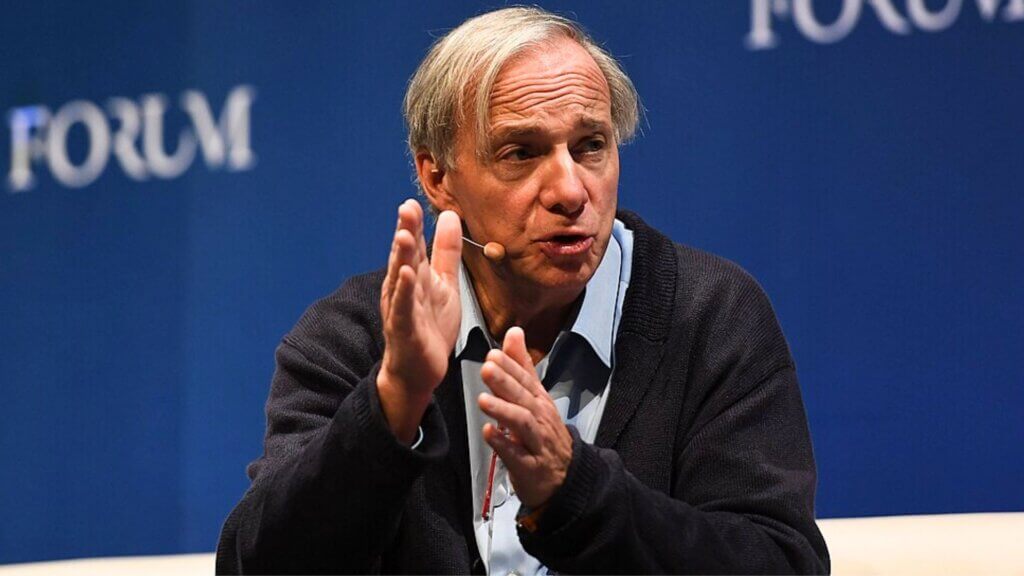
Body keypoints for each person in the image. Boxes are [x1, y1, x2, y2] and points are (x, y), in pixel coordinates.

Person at [217, 7, 830, 575]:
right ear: (438, 177)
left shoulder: (710, 316)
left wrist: (575, 491)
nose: (569, 189)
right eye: (521, 153)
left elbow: (781, 562)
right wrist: (393, 406)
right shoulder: (355, 336)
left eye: (591, 145)